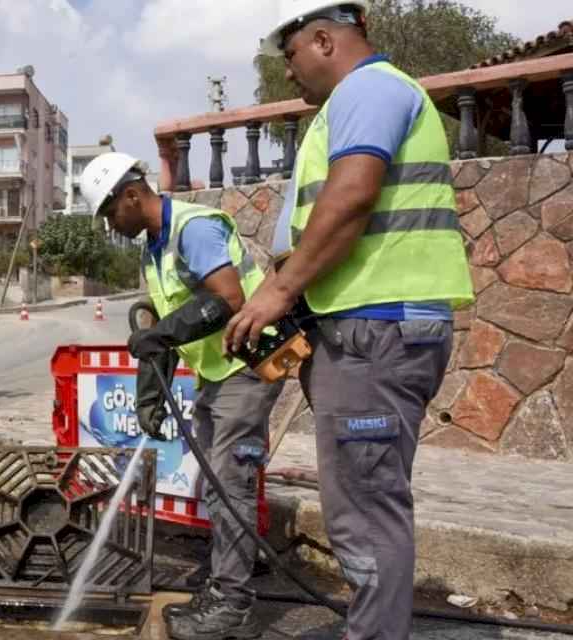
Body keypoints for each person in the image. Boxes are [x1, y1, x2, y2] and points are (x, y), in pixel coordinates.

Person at [225, 2, 473, 638]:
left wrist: (280, 290)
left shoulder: (370, 89)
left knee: (366, 512)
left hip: (379, 330)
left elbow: (354, 193)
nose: (289, 74)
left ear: (325, 39)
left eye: (292, 57)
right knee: (361, 505)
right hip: (369, 328)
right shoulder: (357, 101)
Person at [79, 152, 284, 640]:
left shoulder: (193, 229)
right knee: (218, 484)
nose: (111, 224)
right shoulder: (155, 249)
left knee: (229, 483)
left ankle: (232, 605)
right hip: (220, 372)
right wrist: (151, 395)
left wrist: (163, 334)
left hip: (248, 365)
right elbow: (171, 330)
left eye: (111, 212)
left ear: (132, 194)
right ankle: (227, 583)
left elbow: (229, 299)